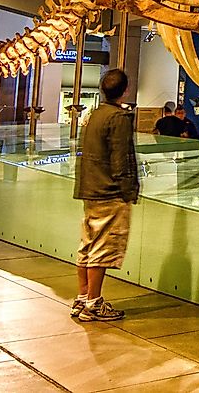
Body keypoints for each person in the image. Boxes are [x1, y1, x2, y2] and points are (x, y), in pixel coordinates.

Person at [72, 68, 137, 321]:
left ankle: (82, 297)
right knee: (101, 247)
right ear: (125, 91)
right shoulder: (118, 118)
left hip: (91, 189)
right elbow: (120, 159)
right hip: (108, 192)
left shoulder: (93, 115)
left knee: (87, 244)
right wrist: (127, 190)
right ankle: (93, 303)